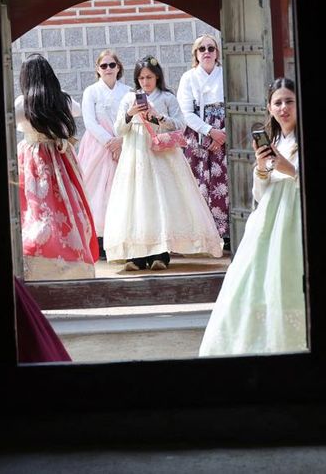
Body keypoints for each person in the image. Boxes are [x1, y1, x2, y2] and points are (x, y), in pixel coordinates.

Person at [199, 78, 306, 356]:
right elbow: (259, 193)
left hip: (295, 217)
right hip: (269, 217)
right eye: (278, 102)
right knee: (254, 279)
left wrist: (288, 168)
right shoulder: (274, 140)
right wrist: (261, 167)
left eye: (289, 101)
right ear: (269, 108)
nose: (283, 108)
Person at [103, 56, 222, 271]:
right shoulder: (128, 99)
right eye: (141, 78)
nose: (145, 82)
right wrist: (131, 114)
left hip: (162, 155)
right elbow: (119, 129)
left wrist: (158, 117)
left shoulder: (167, 97)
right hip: (136, 153)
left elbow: (180, 124)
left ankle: (161, 253)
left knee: (162, 200)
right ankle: (137, 255)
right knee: (137, 201)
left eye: (149, 77)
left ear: (157, 77)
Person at [15, 53, 99, 280]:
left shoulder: (22, 104)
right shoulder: (64, 100)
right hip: (60, 159)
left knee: (34, 210)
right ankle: (73, 263)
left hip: (32, 158)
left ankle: (36, 262)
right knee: (66, 208)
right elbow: (78, 110)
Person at [75, 50, 129, 258]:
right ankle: (98, 239)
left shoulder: (127, 91)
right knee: (96, 190)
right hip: (97, 146)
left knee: (120, 190)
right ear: (97, 69)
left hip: (122, 144)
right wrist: (109, 142)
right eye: (104, 66)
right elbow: (89, 121)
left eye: (112, 65)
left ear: (118, 68)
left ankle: (120, 237)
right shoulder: (91, 91)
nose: (108, 69)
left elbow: (131, 119)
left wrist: (121, 142)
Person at [177, 34, 229, 243]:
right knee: (198, 184)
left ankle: (225, 234)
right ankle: (201, 236)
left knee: (223, 184)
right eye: (202, 49)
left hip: (225, 137)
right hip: (198, 137)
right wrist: (209, 131)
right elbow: (186, 112)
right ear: (195, 54)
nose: (207, 52)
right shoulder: (188, 78)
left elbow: (235, 104)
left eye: (211, 48)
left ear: (217, 53)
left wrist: (222, 135)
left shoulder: (225, 74)